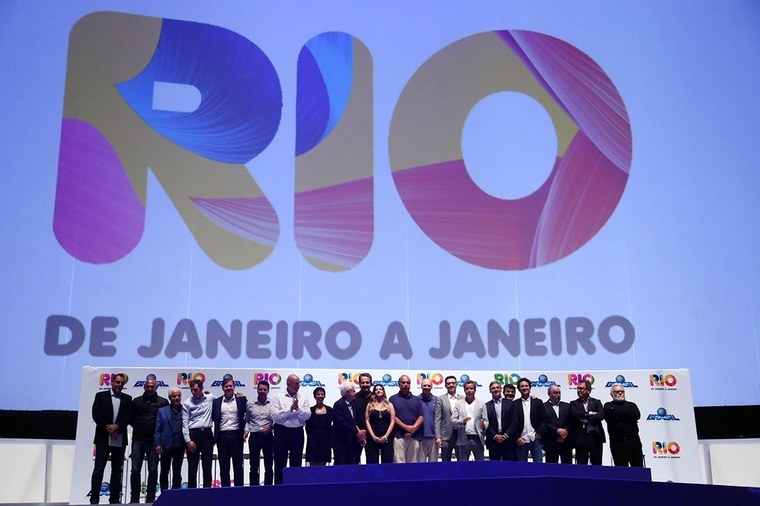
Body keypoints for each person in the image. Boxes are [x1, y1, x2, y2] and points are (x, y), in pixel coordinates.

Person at [90, 373, 132, 504]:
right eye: (117, 382)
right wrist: (108, 428)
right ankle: (94, 499)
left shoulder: (127, 398)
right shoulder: (100, 396)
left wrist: (117, 426)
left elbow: (129, 417)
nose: (119, 385)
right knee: (98, 469)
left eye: (121, 383)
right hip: (103, 438)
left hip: (119, 438)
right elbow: (95, 414)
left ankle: (114, 499)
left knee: (116, 471)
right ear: (112, 383)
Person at [129, 377, 168, 503]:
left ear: (156, 387)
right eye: (148, 387)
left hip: (154, 442)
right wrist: (140, 427)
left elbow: (164, 422)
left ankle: (150, 499)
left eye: (152, 387)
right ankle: (134, 498)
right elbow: (130, 418)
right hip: (138, 440)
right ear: (144, 387)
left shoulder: (163, 402)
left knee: (153, 470)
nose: (150, 389)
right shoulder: (136, 401)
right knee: (135, 470)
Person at [271, 374, 310, 484]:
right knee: (279, 463)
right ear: (288, 384)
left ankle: (295, 489)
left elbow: (307, 415)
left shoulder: (303, 397)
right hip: (281, 432)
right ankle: (278, 489)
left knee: (296, 463)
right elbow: (275, 416)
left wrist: (297, 409)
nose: (298, 386)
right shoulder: (278, 397)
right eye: (296, 383)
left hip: (297, 433)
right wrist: (290, 410)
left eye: (299, 383)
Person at [212, 377, 247, 486]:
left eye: (230, 386)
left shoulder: (241, 400)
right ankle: (226, 492)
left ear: (234, 387)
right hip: (222, 437)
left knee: (238, 466)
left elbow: (249, 416)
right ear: (222, 388)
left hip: (236, 436)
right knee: (224, 467)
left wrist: (247, 430)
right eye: (226, 386)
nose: (228, 388)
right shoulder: (216, 402)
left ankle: (239, 492)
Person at [182, 379, 215, 488]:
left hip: (207, 435)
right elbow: (185, 423)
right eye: (191, 390)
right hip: (193, 435)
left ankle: (207, 492)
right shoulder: (187, 403)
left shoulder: (210, 398)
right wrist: (188, 441)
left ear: (201, 389)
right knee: (192, 466)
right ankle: (192, 493)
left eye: (195, 389)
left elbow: (223, 400)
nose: (193, 392)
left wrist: (238, 395)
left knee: (207, 465)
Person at [603, 384, 643, 467]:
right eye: (617, 391)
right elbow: (609, 414)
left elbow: (636, 415)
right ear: (612, 394)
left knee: (638, 470)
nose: (620, 393)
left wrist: (617, 415)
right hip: (617, 444)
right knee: (621, 471)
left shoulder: (632, 405)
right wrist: (626, 414)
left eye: (622, 391)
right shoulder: (608, 406)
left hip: (633, 442)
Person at [153, 388, 184, 493]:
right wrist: (157, 444)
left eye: (178, 396)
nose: (177, 398)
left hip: (179, 445)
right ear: (170, 398)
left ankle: (176, 496)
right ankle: (164, 495)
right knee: (164, 472)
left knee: (177, 472)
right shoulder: (162, 411)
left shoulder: (185, 410)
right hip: (165, 446)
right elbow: (157, 429)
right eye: (174, 396)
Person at [569, 379, 606, 465]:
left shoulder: (596, 402)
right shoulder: (574, 403)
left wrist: (585, 420)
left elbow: (601, 415)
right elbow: (574, 415)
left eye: (581, 388)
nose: (579, 390)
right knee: (581, 465)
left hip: (595, 437)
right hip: (581, 438)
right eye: (577, 388)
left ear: (588, 390)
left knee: (597, 464)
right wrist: (589, 413)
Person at [245, 381, 275, 485]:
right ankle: (254, 488)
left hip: (268, 437)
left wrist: (271, 427)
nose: (262, 391)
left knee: (269, 464)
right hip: (254, 436)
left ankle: (268, 488)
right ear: (257, 389)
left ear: (268, 391)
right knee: (253, 465)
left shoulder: (273, 404)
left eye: (264, 389)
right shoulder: (250, 404)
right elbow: (247, 421)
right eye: (260, 389)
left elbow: (276, 419)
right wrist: (246, 430)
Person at [389, 374, 424, 463]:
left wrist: (413, 429)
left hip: (414, 436)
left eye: (408, 383)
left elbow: (421, 416)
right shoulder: (392, 399)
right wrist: (406, 428)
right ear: (399, 384)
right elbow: (393, 417)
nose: (405, 384)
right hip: (399, 436)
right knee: (399, 463)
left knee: (413, 464)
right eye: (403, 382)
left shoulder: (417, 399)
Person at [451, 380, 488, 461]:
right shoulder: (458, 404)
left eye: (471, 388)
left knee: (480, 464)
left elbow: (486, 420)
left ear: (475, 390)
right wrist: (462, 421)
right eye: (467, 389)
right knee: (463, 465)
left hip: (477, 438)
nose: (469, 390)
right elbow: (453, 420)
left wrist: (484, 425)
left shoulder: (481, 404)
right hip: (463, 438)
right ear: (464, 390)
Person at [515, 377, 548, 463]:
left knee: (538, 466)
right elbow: (513, 423)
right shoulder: (514, 404)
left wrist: (539, 433)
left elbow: (544, 420)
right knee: (521, 468)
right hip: (521, 440)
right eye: (522, 386)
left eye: (526, 386)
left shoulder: (538, 402)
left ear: (530, 387)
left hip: (535, 439)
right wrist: (517, 437)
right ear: (519, 389)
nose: (524, 388)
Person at [485, 380, 518, 461]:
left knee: (509, 469)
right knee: (495, 468)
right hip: (493, 441)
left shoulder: (510, 403)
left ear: (500, 389)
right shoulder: (486, 406)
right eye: (493, 388)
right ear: (490, 391)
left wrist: (505, 435)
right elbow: (486, 423)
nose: (495, 390)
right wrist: (495, 436)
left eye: (497, 387)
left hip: (508, 441)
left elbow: (514, 422)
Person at [331, 382, 364, 465]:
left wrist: (360, 434)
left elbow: (353, 422)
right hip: (341, 443)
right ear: (347, 393)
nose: (355, 393)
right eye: (353, 391)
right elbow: (341, 423)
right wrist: (357, 432)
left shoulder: (353, 404)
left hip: (352, 442)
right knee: (341, 467)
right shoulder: (338, 405)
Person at [365, 385, 395, 464]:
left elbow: (392, 421)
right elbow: (367, 421)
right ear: (374, 392)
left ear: (383, 391)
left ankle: (387, 477)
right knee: (372, 461)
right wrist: (373, 436)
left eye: (380, 389)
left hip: (387, 436)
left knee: (387, 461)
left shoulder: (389, 405)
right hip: (373, 437)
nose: (378, 391)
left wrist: (386, 436)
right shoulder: (370, 405)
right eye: (376, 389)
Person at [434, 375, 462, 461]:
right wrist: (438, 436)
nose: (451, 385)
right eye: (448, 383)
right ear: (445, 385)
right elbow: (437, 418)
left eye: (453, 383)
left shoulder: (463, 399)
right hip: (446, 436)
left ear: (456, 384)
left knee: (461, 462)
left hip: (460, 435)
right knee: (445, 462)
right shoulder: (440, 399)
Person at [543, 385, 572, 464]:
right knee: (551, 467)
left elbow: (571, 421)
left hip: (565, 442)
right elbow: (543, 423)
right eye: (555, 393)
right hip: (551, 442)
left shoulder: (567, 406)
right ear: (549, 394)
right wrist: (556, 430)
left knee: (567, 467)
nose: (558, 395)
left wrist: (565, 431)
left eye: (559, 393)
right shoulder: (543, 407)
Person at [305, 386, 333, 466]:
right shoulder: (310, 411)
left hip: (325, 443)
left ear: (324, 396)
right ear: (315, 396)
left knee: (322, 468)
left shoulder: (330, 410)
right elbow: (307, 428)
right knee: (312, 468)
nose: (320, 396)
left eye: (322, 394)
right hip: (313, 442)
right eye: (318, 394)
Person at [353, 373, 372, 463]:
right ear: (359, 384)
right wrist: (359, 432)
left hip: (372, 435)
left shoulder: (375, 398)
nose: (365, 385)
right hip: (356, 434)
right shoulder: (354, 398)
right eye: (363, 382)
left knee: (372, 463)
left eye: (367, 382)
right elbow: (351, 417)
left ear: (371, 383)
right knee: (354, 461)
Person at [417, 378, 439, 462]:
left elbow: (439, 419)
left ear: (432, 387)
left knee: (433, 465)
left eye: (429, 385)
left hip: (434, 438)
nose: (427, 387)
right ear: (421, 386)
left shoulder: (437, 400)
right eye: (424, 385)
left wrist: (438, 436)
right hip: (420, 438)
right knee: (420, 464)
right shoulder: (416, 400)